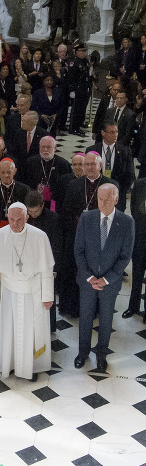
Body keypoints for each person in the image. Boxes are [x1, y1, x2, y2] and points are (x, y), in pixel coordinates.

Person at [0, 201, 54, 380]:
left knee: (31, 330)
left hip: (33, 293)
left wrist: (47, 296)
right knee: (9, 329)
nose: (15, 224)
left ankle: (32, 366)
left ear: (27, 218)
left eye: (20, 220)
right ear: (7, 217)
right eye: (12, 219)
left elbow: (46, 270)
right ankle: (10, 363)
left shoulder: (40, 236)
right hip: (8, 293)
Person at [74, 183, 134, 373]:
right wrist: (89, 277)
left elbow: (125, 256)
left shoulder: (126, 222)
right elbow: (79, 250)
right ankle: (82, 353)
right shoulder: (86, 218)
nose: (102, 203)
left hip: (110, 283)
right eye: (100, 199)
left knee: (106, 320)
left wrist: (107, 279)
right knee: (85, 318)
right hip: (87, 280)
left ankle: (101, 354)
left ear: (116, 199)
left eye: (107, 199)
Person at [60, 152, 119, 317]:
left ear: (101, 165)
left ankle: (95, 311)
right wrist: (78, 226)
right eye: (87, 164)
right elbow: (66, 211)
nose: (90, 168)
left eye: (94, 164)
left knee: (96, 275)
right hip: (77, 237)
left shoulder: (111, 185)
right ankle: (72, 308)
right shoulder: (74, 185)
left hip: (100, 240)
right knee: (74, 272)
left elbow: (116, 214)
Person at [26, 190, 62, 332]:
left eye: (36, 211)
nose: (33, 215)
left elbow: (57, 244)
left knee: (47, 294)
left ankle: (50, 326)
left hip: (46, 263)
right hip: (28, 263)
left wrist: (54, 269)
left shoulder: (53, 218)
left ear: (42, 206)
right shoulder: (24, 216)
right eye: (30, 211)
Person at [85, 121, 135, 211]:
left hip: (117, 198)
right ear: (103, 133)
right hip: (95, 196)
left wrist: (118, 191)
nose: (115, 135)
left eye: (116, 132)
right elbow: (87, 173)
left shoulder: (125, 151)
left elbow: (130, 176)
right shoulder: (92, 150)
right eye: (112, 132)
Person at [22, 135, 72, 213]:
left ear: (55, 148)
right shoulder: (31, 162)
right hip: (34, 200)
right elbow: (25, 181)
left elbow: (66, 185)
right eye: (43, 147)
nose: (45, 150)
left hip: (54, 202)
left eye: (48, 147)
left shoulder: (63, 164)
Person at [122, 176, 146, 322]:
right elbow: (134, 210)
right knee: (136, 274)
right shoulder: (140, 184)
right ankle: (133, 306)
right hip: (140, 237)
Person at [0, 157, 29, 229]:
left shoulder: (24, 189)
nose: (6, 175)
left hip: (18, 226)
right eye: (3, 172)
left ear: (15, 171)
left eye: (9, 172)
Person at [68, 43, 94, 136]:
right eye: (82, 51)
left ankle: (79, 123)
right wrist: (72, 90)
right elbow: (71, 78)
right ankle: (73, 128)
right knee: (76, 109)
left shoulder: (85, 61)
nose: (84, 53)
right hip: (77, 89)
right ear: (77, 52)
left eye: (84, 51)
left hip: (85, 88)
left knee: (83, 108)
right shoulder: (74, 62)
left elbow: (88, 74)